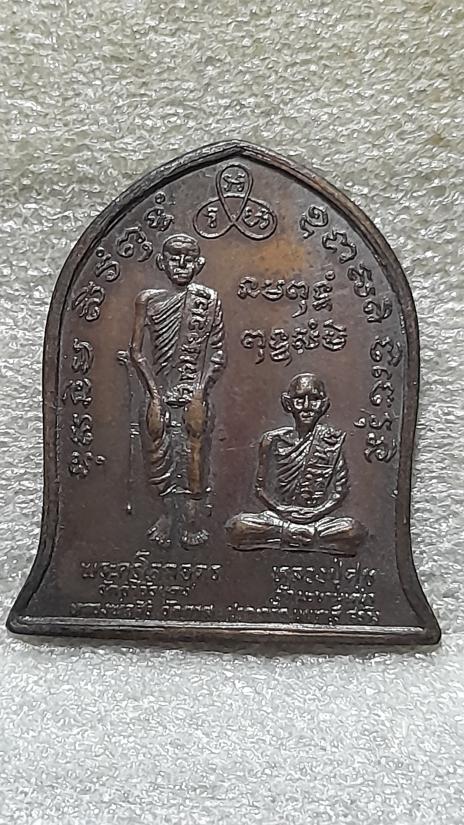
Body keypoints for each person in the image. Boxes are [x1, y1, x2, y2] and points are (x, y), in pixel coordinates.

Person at [130, 233, 226, 549]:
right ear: (162, 262)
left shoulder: (208, 301)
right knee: (159, 452)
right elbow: (136, 352)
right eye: (174, 257)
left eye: (189, 258)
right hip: (157, 390)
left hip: (194, 390)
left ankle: (192, 518)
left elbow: (218, 354)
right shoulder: (148, 300)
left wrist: (200, 391)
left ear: (199, 264)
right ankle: (166, 515)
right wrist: (154, 395)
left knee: (194, 454)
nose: (182, 264)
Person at [225, 373, 365, 554]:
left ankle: (291, 537)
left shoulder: (331, 441)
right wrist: (282, 510)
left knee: (353, 530)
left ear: (324, 404)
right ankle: (302, 537)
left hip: (319, 520)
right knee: (238, 526)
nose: (307, 407)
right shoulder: (272, 440)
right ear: (287, 403)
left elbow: (339, 492)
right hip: (277, 518)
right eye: (299, 399)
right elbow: (260, 489)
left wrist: (317, 512)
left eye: (314, 400)